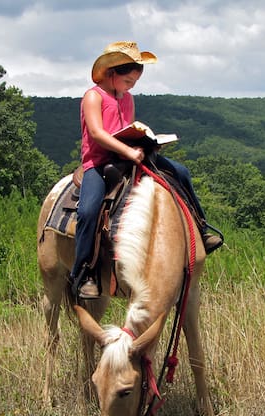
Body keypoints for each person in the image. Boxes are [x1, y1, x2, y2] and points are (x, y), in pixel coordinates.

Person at [71, 41, 223, 299]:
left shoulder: (127, 98)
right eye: (128, 81)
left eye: (134, 82)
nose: (131, 86)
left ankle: (202, 229)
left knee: (181, 172)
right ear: (112, 73)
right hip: (99, 163)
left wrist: (144, 143)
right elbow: (97, 133)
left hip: (129, 157)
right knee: (87, 211)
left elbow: (127, 128)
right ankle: (83, 272)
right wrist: (128, 150)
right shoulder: (93, 96)